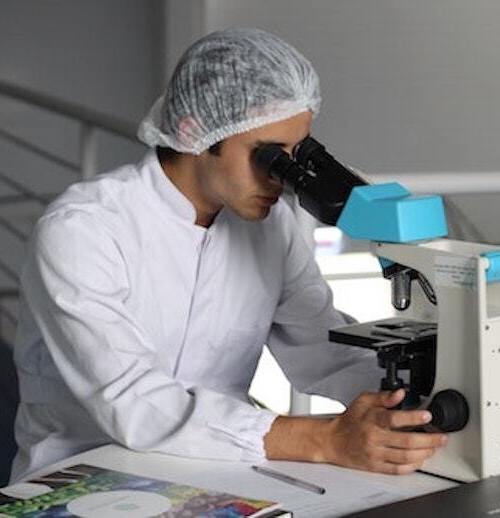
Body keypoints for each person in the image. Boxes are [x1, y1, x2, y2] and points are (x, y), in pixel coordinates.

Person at [11, 27, 446, 482]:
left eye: (296, 154)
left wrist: (413, 406)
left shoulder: (270, 227)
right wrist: (326, 440)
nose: (283, 178)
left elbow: (324, 351)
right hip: (82, 474)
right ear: (194, 131)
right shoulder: (84, 230)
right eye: (269, 157)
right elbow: (134, 402)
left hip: (216, 470)